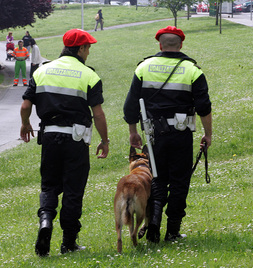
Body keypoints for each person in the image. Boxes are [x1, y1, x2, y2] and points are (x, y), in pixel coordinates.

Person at [20, 28, 109, 257]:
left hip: (49, 136)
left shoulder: (42, 71)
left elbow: (25, 106)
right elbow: (98, 114)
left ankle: (45, 222)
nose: (89, 52)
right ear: (80, 48)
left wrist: (25, 124)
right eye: (88, 48)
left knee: (49, 186)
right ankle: (69, 242)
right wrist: (105, 140)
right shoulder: (89, 75)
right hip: (76, 139)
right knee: (73, 189)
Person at [123, 26, 212, 243]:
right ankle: (172, 230)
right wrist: (208, 134)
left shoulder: (144, 67)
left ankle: (154, 222)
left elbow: (130, 106)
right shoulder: (193, 70)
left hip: (154, 135)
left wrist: (133, 132)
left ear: (160, 45)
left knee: (158, 179)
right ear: (180, 45)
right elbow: (204, 107)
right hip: (181, 134)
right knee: (180, 181)